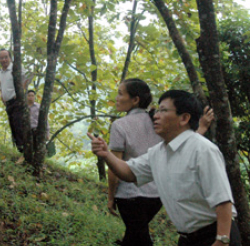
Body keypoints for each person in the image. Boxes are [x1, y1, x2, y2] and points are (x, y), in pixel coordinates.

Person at [89, 90, 241, 246]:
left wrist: (222, 240)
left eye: (163, 110)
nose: (155, 116)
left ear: (184, 118)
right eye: (157, 110)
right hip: (187, 238)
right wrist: (106, 154)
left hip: (216, 237)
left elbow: (222, 200)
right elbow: (129, 172)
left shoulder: (202, 149)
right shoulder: (158, 152)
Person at [106, 79, 163, 246]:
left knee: (140, 238)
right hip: (157, 195)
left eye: (120, 93)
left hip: (130, 195)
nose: (116, 98)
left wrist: (110, 197)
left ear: (135, 99)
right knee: (134, 235)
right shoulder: (157, 121)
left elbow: (114, 166)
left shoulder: (120, 125)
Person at [0, 49, 28, 152]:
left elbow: (27, 77)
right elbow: (1, 85)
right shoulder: (0, 72)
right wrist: (1, 94)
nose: (4, 60)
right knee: (13, 127)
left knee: (18, 126)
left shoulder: (15, 68)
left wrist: (21, 92)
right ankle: (20, 151)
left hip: (17, 102)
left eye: (6, 57)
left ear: (10, 57)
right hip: (8, 103)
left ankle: (24, 150)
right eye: (1, 58)